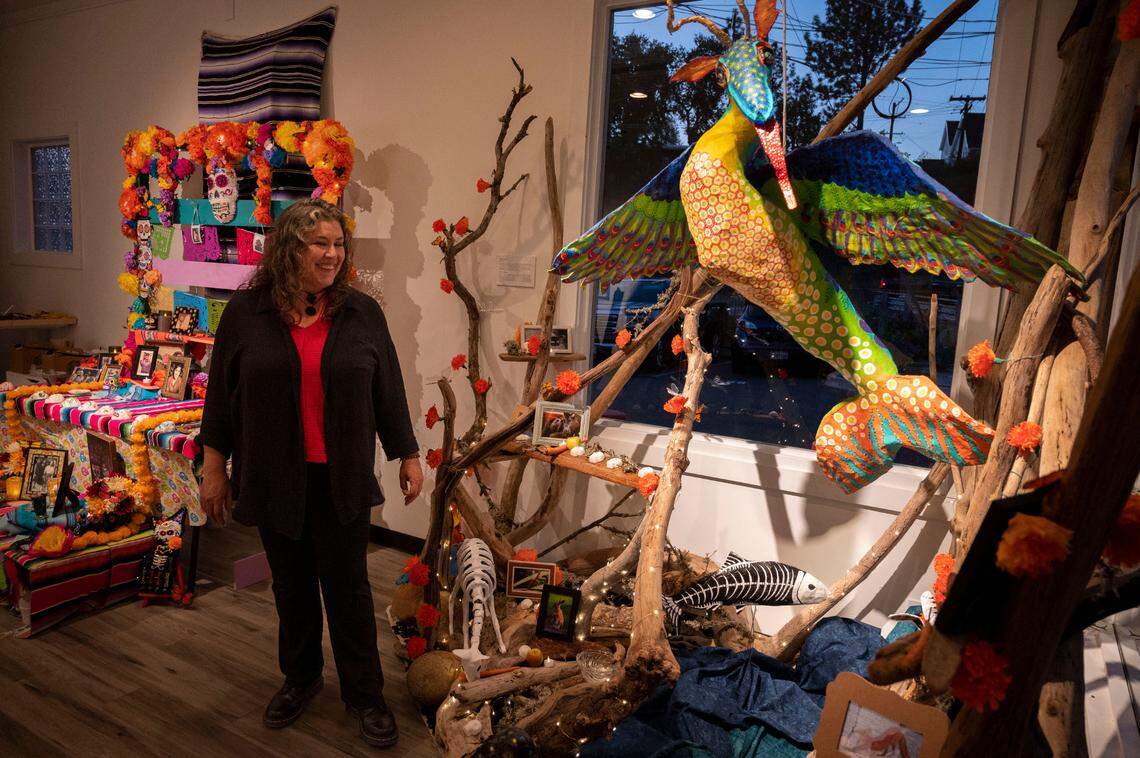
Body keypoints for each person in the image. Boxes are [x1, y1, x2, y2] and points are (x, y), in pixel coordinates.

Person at [198, 199, 423, 749]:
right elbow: (220, 402)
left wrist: (408, 454)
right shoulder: (246, 315)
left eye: (338, 244)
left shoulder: (361, 313)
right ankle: (299, 680)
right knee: (293, 590)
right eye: (317, 243)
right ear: (287, 250)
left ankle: (365, 695)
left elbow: (388, 390)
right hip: (274, 477)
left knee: (347, 591)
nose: (331, 254)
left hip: (339, 477)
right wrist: (214, 466)